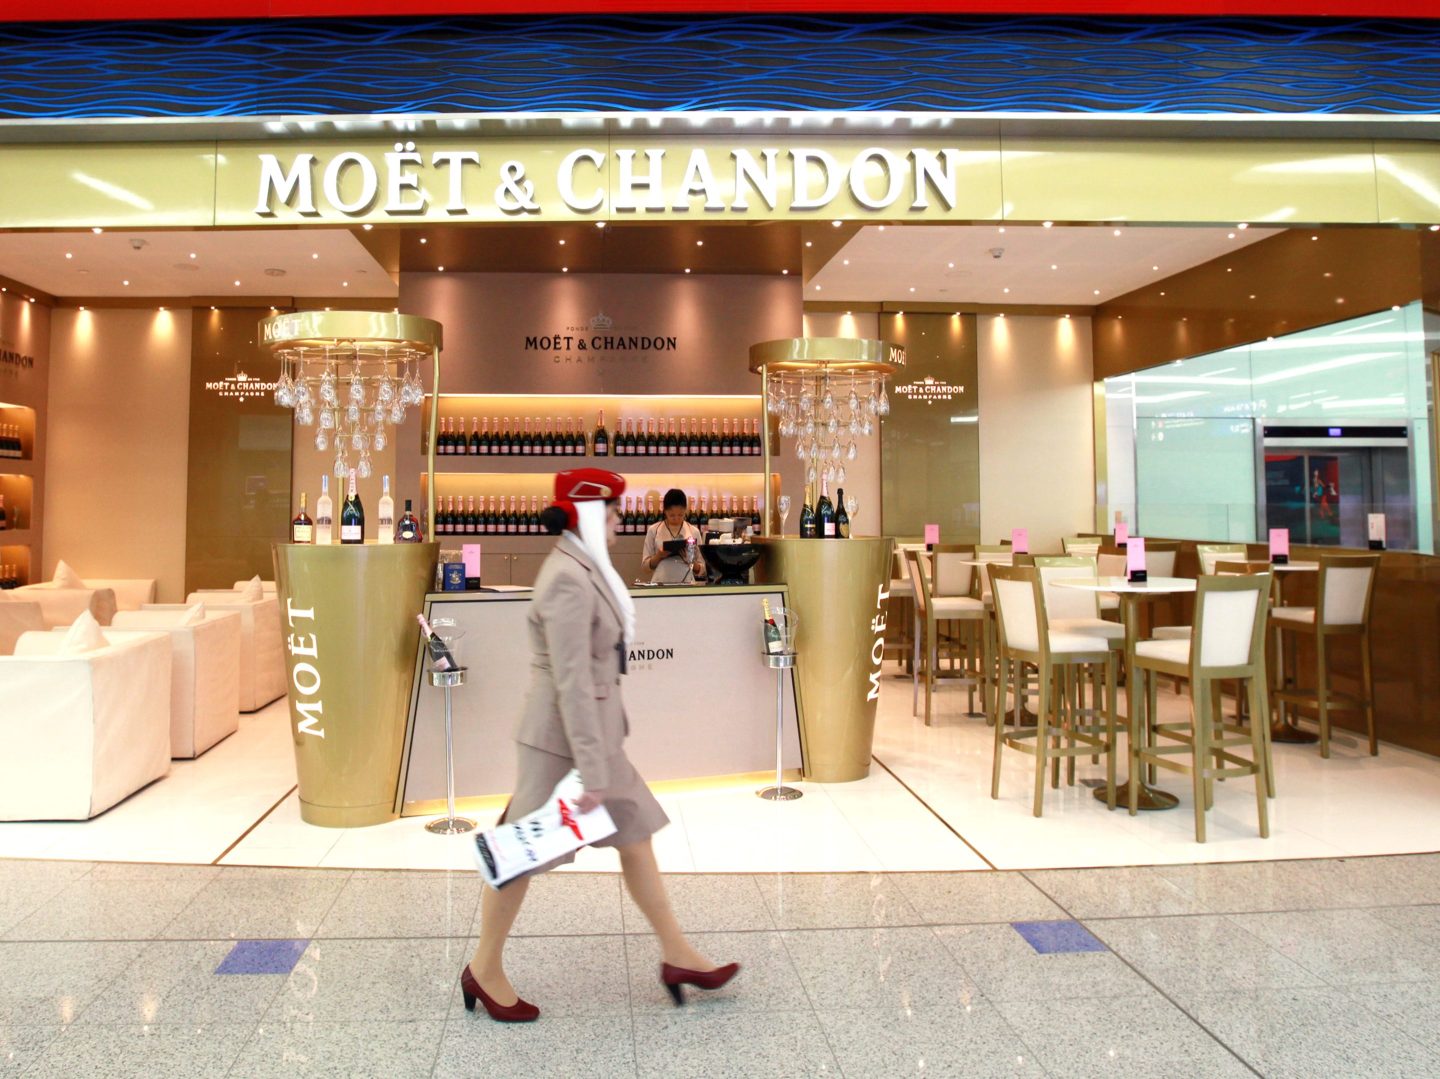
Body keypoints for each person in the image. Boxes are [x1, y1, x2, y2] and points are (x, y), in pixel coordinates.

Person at [461, 467, 738, 1022]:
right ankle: (483, 969)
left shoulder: (585, 567)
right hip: (562, 744)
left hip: (592, 741)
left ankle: (678, 955)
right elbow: (572, 683)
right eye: (610, 510)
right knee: (518, 852)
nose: (618, 519)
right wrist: (591, 772)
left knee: (635, 840)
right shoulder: (567, 577)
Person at [640, 488, 706, 584]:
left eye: (680, 515)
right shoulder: (654, 530)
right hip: (660, 583)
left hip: (687, 584)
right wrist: (658, 556)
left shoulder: (693, 531)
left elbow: (703, 569)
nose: (676, 519)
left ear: (685, 510)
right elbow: (645, 567)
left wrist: (690, 560)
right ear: (665, 511)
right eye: (672, 515)